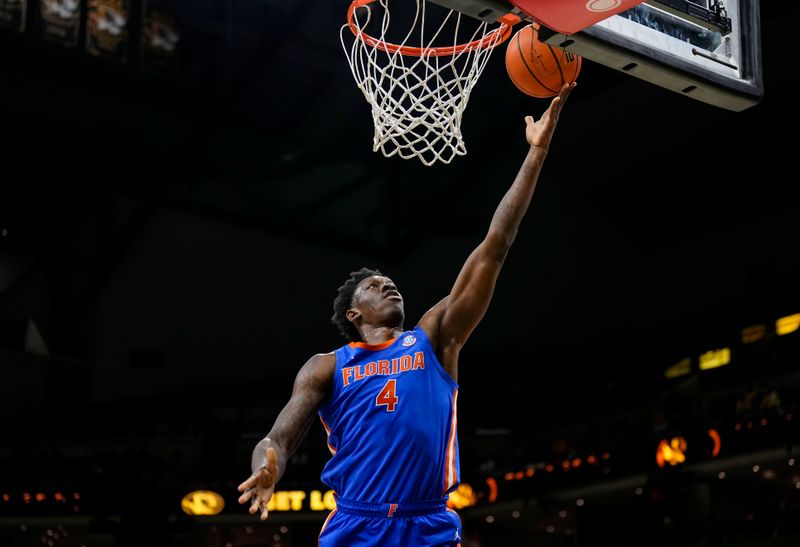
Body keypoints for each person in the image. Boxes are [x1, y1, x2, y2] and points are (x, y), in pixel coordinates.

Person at [237, 82, 575, 546]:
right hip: (356, 523)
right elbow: (277, 439)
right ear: (355, 313)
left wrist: (535, 155)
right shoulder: (327, 366)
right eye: (374, 286)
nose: (388, 284)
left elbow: (495, 246)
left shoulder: (434, 337)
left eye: (390, 281)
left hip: (428, 522)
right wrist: (265, 468)